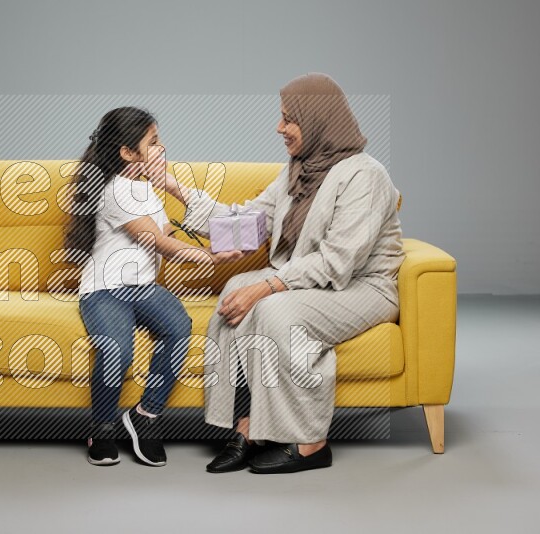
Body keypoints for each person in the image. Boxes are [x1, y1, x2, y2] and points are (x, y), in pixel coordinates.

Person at [156, 74, 406, 473]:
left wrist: (266, 287)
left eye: (289, 119)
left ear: (318, 120)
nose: (279, 128)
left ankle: (311, 441)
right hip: (313, 281)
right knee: (234, 290)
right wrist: (175, 188)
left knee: (275, 311)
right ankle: (250, 422)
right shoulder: (298, 170)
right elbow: (247, 221)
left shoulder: (366, 175)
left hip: (362, 287)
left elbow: (337, 261)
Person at [64, 106, 245, 467]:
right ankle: (100, 428)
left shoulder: (145, 190)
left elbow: (166, 234)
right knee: (117, 350)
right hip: (105, 290)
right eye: (153, 142)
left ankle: (145, 416)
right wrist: (209, 257)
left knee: (178, 326)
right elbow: (157, 243)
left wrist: (206, 241)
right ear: (128, 153)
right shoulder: (115, 191)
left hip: (143, 286)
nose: (161, 148)